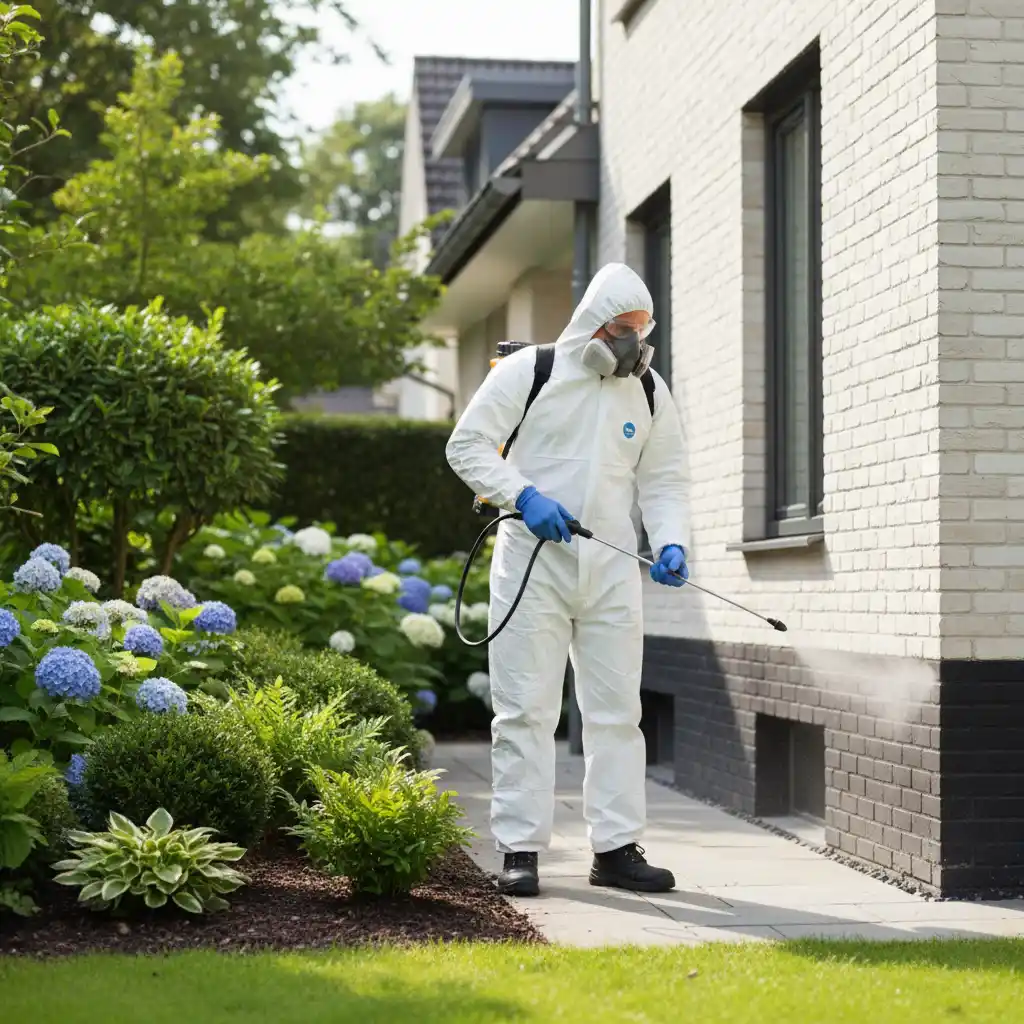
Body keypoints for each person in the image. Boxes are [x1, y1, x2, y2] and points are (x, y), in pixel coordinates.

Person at [445, 262, 689, 897]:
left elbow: (663, 479)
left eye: (643, 329)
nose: (634, 342)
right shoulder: (534, 373)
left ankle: (615, 848)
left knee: (616, 714)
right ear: (593, 325)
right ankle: (520, 848)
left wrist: (669, 541)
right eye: (623, 328)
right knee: (524, 710)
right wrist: (523, 496)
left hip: (611, 569)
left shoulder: (652, 391)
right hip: (533, 563)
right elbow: (467, 445)